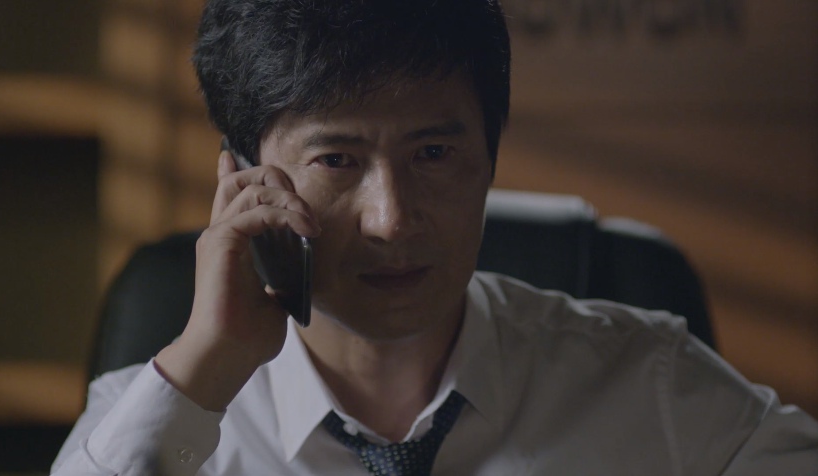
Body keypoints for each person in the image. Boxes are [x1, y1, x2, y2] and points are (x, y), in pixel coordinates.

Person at [52, 0, 818, 474]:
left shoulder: (645, 385)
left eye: (435, 153)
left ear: (491, 155)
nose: (391, 219)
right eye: (337, 160)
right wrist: (204, 371)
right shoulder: (160, 416)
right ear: (243, 180)